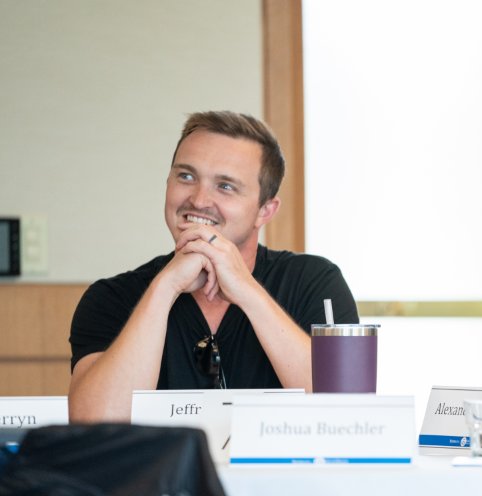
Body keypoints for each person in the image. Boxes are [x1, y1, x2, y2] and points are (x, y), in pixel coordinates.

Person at [69, 111, 358, 422]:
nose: (199, 199)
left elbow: (346, 412)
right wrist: (165, 288)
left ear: (264, 210)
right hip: (163, 473)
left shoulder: (315, 282)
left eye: (226, 186)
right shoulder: (112, 296)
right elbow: (94, 422)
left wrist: (247, 291)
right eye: (186, 176)